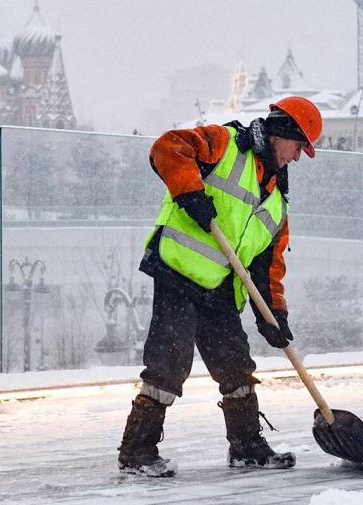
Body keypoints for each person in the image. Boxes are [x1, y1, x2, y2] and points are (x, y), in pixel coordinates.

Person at [117, 96, 323, 477]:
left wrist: (273, 313)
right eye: (299, 147)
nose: (298, 158)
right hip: (179, 273)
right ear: (283, 134)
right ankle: (137, 453)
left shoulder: (277, 201)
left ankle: (247, 448)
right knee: (168, 364)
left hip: (221, 291)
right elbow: (168, 147)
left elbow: (269, 265)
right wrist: (189, 192)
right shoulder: (225, 144)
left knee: (237, 368)